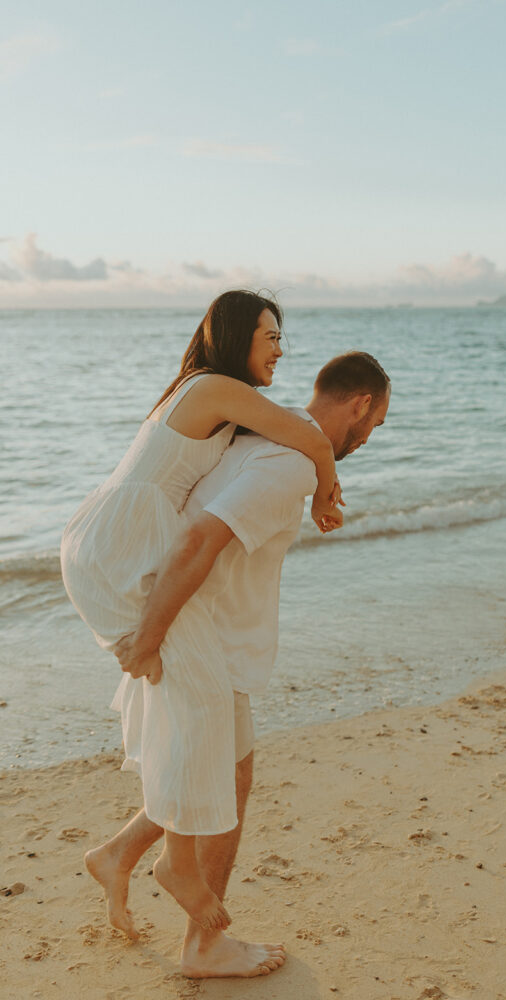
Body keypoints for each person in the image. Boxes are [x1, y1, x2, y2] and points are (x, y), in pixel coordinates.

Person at [86, 350, 391, 978]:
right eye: (376, 423)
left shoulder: (254, 436)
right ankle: (203, 944)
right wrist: (153, 635)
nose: (370, 436)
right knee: (223, 777)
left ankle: (118, 854)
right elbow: (199, 537)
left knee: (218, 771)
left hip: (198, 627)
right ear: (360, 404)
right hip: (202, 636)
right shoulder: (287, 465)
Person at [60, 290, 344, 932]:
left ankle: (118, 856)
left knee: (200, 701)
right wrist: (327, 490)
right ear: (238, 335)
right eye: (270, 336)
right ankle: (175, 865)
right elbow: (307, 434)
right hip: (117, 548)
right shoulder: (215, 384)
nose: (280, 350)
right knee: (207, 704)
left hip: (107, 542)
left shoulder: (205, 391)